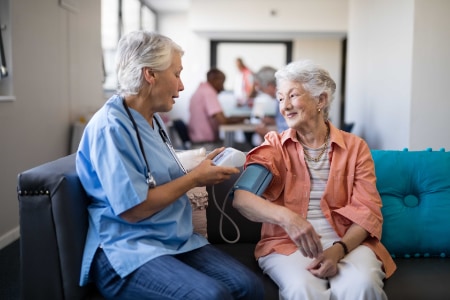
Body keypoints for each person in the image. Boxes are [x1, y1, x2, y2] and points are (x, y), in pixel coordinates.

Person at [76, 30, 264, 300]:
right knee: (211, 296)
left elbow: (158, 177)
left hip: (172, 240)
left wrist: (203, 171)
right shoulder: (111, 127)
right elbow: (132, 209)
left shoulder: (153, 121)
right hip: (129, 249)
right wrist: (194, 178)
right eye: (176, 74)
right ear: (149, 74)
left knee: (250, 286)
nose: (182, 86)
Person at [232, 59, 396, 300]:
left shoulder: (355, 147)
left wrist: (338, 250)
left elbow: (367, 211)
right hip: (287, 243)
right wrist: (289, 219)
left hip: (346, 240)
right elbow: (242, 198)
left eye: (293, 95)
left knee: (362, 286)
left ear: (321, 100)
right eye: (280, 98)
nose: (285, 106)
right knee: (303, 290)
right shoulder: (274, 146)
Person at [188, 68, 246, 151]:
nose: (222, 87)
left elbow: (221, 117)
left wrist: (236, 118)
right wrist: (241, 119)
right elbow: (222, 120)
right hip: (205, 146)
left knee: (237, 147)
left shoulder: (201, 90)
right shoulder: (208, 92)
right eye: (222, 82)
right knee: (246, 148)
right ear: (214, 80)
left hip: (198, 143)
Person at [248, 66, 288, 146]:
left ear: (269, 85)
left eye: (261, 88)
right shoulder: (280, 98)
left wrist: (266, 133)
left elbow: (287, 133)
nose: (261, 90)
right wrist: (274, 121)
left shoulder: (282, 99)